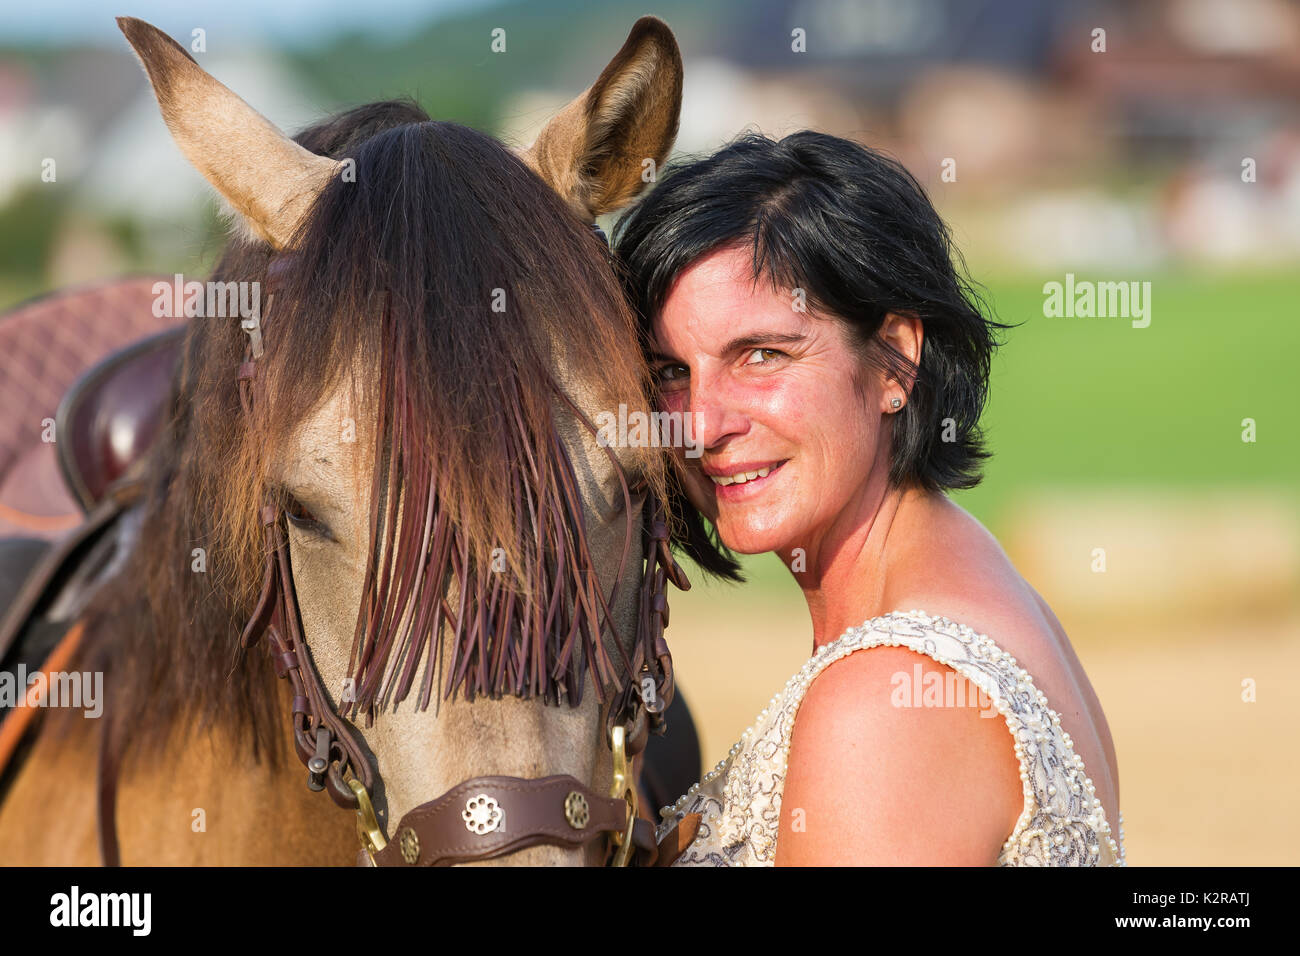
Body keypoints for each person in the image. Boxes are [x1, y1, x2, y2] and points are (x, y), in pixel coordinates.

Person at [613, 131, 1124, 866]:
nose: (703, 423)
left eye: (761, 355)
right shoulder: (972, 582)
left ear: (894, 360)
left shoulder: (886, 702)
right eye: (669, 371)